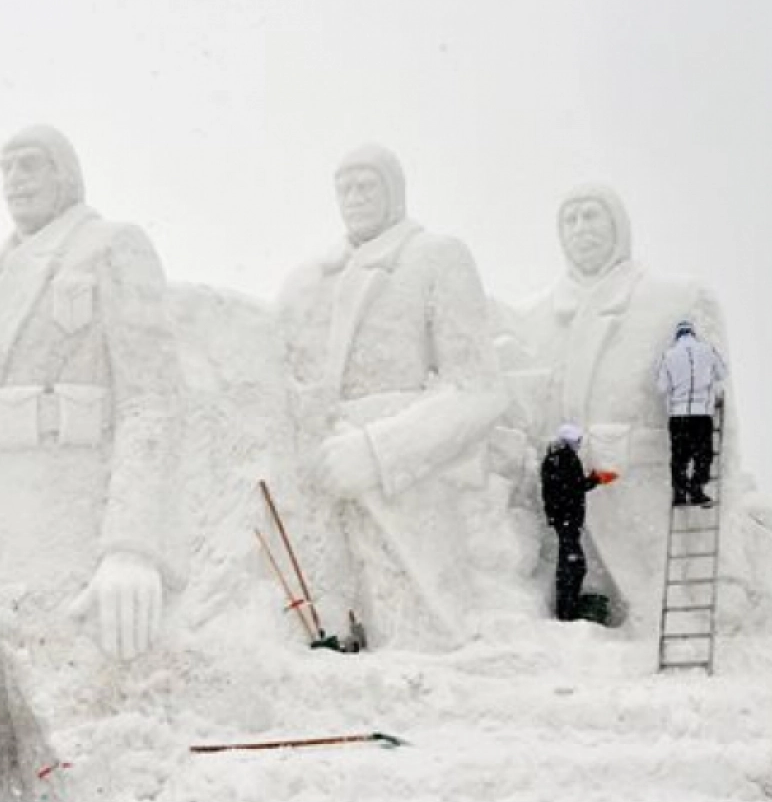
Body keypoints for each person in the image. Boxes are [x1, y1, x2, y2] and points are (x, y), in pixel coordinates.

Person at [0, 125, 183, 802]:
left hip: (64, 510)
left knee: (70, 699)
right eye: (7, 167)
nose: (16, 179)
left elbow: (151, 399)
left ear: (67, 174)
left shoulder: (109, 246)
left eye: (32, 165)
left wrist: (131, 546)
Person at [275, 143, 511, 650]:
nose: (354, 197)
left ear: (394, 191)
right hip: (319, 473)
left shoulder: (435, 257)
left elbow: (480, 390)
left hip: (405, 480)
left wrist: (378, 452)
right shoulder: (310, 280)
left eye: (367, 186)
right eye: (345, 187)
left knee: (420, 645)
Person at [494, 184, 730, 630]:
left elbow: (723, 426)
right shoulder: (535, 316)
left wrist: (727, 528)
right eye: (571, 219)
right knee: (571, 571)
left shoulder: (673, 299)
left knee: (662, 607)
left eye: (592, 216)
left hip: (644, 490)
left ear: (618, 225)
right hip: (568, 502)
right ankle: (575, 608)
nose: (581, 229)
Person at [540, 424, 618, 621]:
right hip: (567, 518)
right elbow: (572, 487)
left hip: (564, 518)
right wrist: (595, 480)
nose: (579, 445)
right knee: (573, 565)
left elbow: (565, 486)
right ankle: (567, 609)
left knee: (571, 564)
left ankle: (567, 607)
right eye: (578, 441)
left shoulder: (554, 458)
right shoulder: (564, 458)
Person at [655, 319, 728, 507]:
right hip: (702, 415)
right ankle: (697, 490)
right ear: (693, 333)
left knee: (680, 457)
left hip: (678, 415)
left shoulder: (668, 355)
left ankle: (680, 494)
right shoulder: (708, 350)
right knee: (703, 455)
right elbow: (722, 373)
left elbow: (661, 387)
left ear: (677, 336)